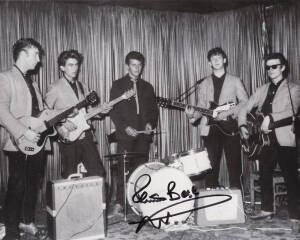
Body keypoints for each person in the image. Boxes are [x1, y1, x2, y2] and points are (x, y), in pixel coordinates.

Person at [239, 52, 300, 222]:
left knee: (290, 176)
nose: (271, 70)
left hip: (284, 139)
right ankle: (266, 210)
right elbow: (244, 108)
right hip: (264, 141)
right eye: (268, 67)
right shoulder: (262, 89)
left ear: (283, 67)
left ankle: (295, 214)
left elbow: (292, 112)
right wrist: (242, 125)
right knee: (265, 173)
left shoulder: (294, 89)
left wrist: (270, 118)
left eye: (275, 66)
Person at [0, 38, 46, 239]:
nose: (39, 59)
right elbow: (1, 110)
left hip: (37, 142)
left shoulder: (33, 82)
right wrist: (21, 131)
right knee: (17, 185)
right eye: (36, 54)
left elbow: (41, 113)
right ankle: (11, 232)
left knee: (33, 183)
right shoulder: (5, 77)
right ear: (24, 54)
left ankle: (27, 222)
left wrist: (64, 115)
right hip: (18, 141)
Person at [185, 47, 248, 189]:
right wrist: (191, 115)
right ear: (209, 63)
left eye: (219, 58)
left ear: (224, 60)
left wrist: (226, 113)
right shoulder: (203, 83)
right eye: (213, 59)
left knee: (234, 165)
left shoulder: (235, 80)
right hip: (210, 128)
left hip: (230, 126)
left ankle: (237, 198)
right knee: (211, 166)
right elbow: (201, 107)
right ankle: (211, 197)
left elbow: (245, 102)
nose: (216, 61)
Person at [45, 49, 111, 179]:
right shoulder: (55, 87)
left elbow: (88, 112)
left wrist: (101, 111)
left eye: (76, 64)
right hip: (68, 137)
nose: (75, 68)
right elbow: (46, 113)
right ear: (62, 67)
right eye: (70, 65)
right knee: (70, 175)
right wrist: (61, 124)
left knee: (98, 173)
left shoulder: (83, 86)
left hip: (86, 135)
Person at [109, 51, 159, 213]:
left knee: (140, 169)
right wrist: (125, 128)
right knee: (123, 169)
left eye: (139, 65)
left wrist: (150, 124)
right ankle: (119, 202)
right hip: (125, 134)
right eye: (133, 65)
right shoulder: (117, 85)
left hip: (143, 135)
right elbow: (113, 111)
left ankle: (138, 201)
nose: (137, 68)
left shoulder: (148, 87)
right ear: (127, 66)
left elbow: (153, 111)